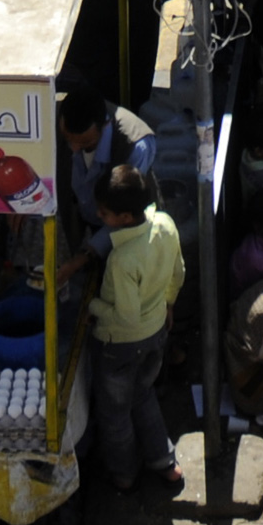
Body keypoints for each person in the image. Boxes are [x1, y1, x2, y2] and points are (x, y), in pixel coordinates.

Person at [84, 161, 183, 494]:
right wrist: (168, 303)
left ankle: (124, 473)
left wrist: (90, 306)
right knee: (143, 395)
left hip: (121, 344)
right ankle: (164, 462)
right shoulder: (166, 224)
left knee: (114, 414)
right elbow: (178, 272)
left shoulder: (122, 259)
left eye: (105, 214)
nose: (100, 218)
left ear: (124, 219)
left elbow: (123, 317)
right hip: (156, 333)